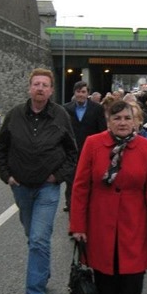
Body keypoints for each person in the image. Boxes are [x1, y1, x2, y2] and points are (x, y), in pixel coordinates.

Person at [69, 100, 147, 294]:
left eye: (127, 118)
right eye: (117, 119)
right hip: (101, 226)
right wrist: (78, 225)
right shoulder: (93, 144)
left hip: (133, 226)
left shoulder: (146, 148)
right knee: (106, 284)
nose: (122, 123)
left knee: (132, 284)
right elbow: (80, 187)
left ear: (135, 121)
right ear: (108, 121)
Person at [0, 68, 78, 294]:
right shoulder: (15, 115)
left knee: (39, 239)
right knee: (33, 238)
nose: (40, 88)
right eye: (36, 84)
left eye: (45, 85)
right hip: (21, 187)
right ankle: (42, 271)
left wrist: (57, 176)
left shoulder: (60, 115)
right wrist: (6, 175)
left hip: (47, 187)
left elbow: (72, 153)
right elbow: (0, 149)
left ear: (51, 90)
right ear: (30, 88)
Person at [63, 80, 107, 211]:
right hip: (71, 151)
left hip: (91, 151)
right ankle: (71, 205)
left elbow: (102, 130)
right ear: (74, 93)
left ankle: (89, 205)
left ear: (88, 93)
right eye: (78, 92)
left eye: (83, 92)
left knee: (89, 180)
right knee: (71, 180)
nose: (80, 94)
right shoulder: (66, 109)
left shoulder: (97, 109)